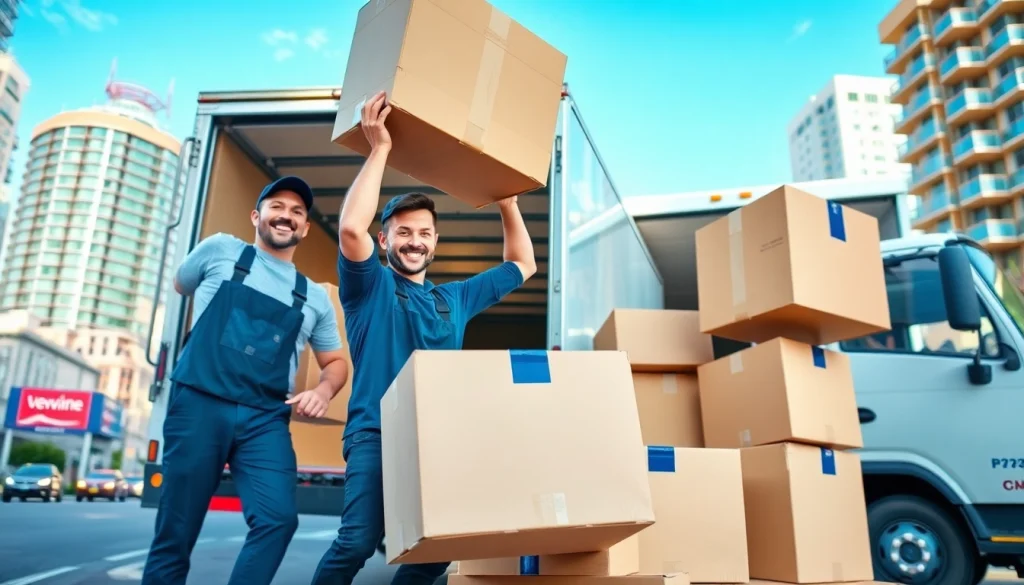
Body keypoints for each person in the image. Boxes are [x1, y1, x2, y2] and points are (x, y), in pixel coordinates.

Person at [311, 90, 537, 585]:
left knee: (434, 551)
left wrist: (507, 202)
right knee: (356, 543)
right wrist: (379, 150)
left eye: (424, 233)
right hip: (374, 432)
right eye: (403, 232)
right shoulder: (368, 286)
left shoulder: (453, 299)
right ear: (384, 240)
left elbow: (523, 264)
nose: (414, 241)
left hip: (434, 439)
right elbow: (351, 228)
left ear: (435, 242)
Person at [142, 176, 351, 585]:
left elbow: (336, 363)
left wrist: (324, 391)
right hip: (199, 405)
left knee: (278, 519)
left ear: (306, 228)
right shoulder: (221, 250)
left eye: (297, 212)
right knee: (176, 533)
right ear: (257, 216)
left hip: (263, 418)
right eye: (277, 206)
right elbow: (182, 283)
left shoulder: (313, 297)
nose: (286, 216)